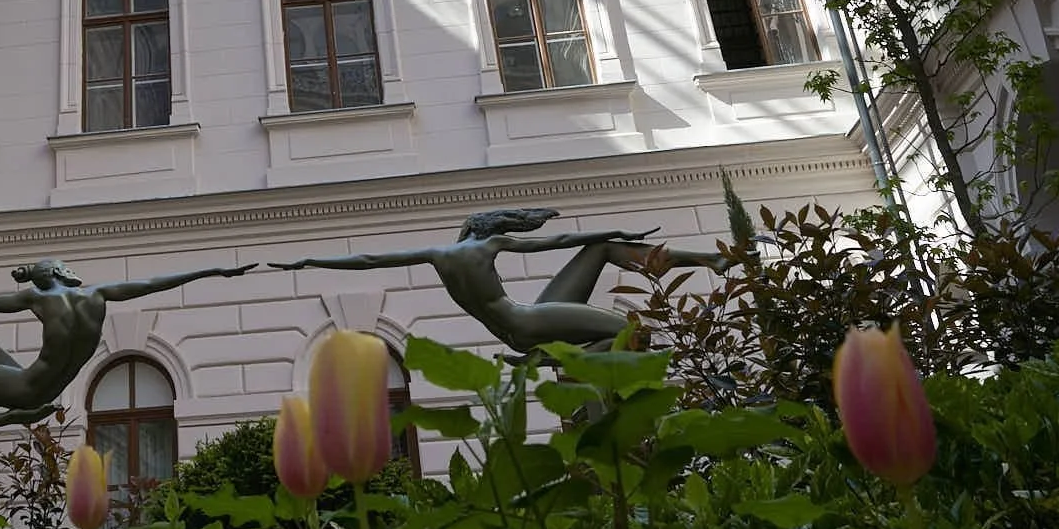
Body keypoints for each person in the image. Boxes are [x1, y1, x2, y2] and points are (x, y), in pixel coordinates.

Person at [0, 257, 255, 426]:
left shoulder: (40, 298)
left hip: (22, 387)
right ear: (66, 273)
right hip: (28, 383)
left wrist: (212, 271)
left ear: (56, 273)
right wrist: (213, 271)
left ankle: (4, 419)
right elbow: (153, 283)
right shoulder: (95, 295)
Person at [272, 208, 725, 354]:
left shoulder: (438, 255)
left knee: (600, 251)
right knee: (634, 332)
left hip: (518, 331)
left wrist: (308, 261)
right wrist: (615, 233)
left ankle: (708, 258)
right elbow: (557, 240)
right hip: (529, 325)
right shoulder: (489, 248)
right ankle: (590, 363)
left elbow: (370, 258)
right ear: (491, 232)